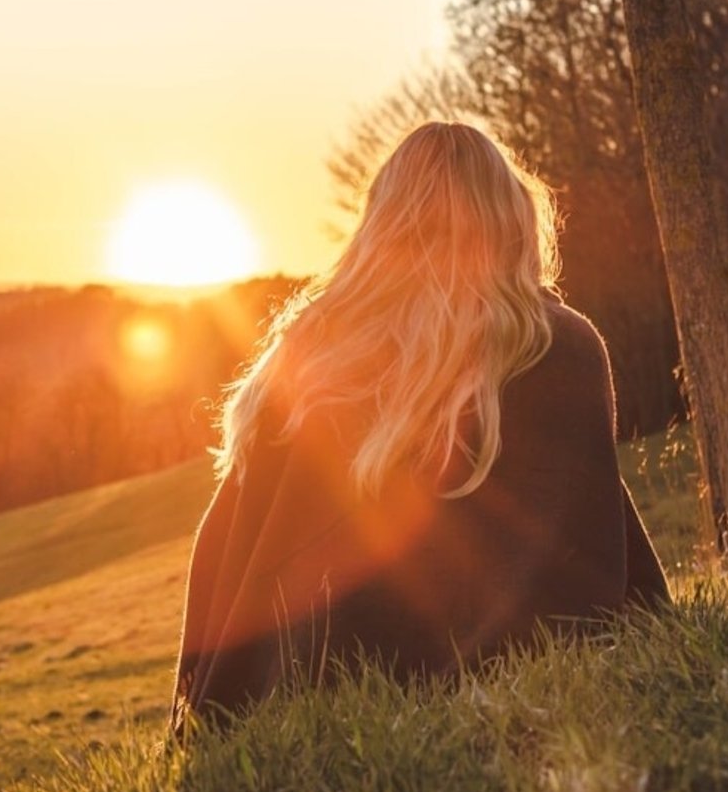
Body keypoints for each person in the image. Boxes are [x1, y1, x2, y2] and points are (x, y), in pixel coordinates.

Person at [172, 121, 670, 730]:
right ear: (510, 218)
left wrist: (202, 704)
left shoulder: (307, 351)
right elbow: (574, 551)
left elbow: (220, 546)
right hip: (444, 688)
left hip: (288, 695)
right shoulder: (550, 342)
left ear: (380, 225)